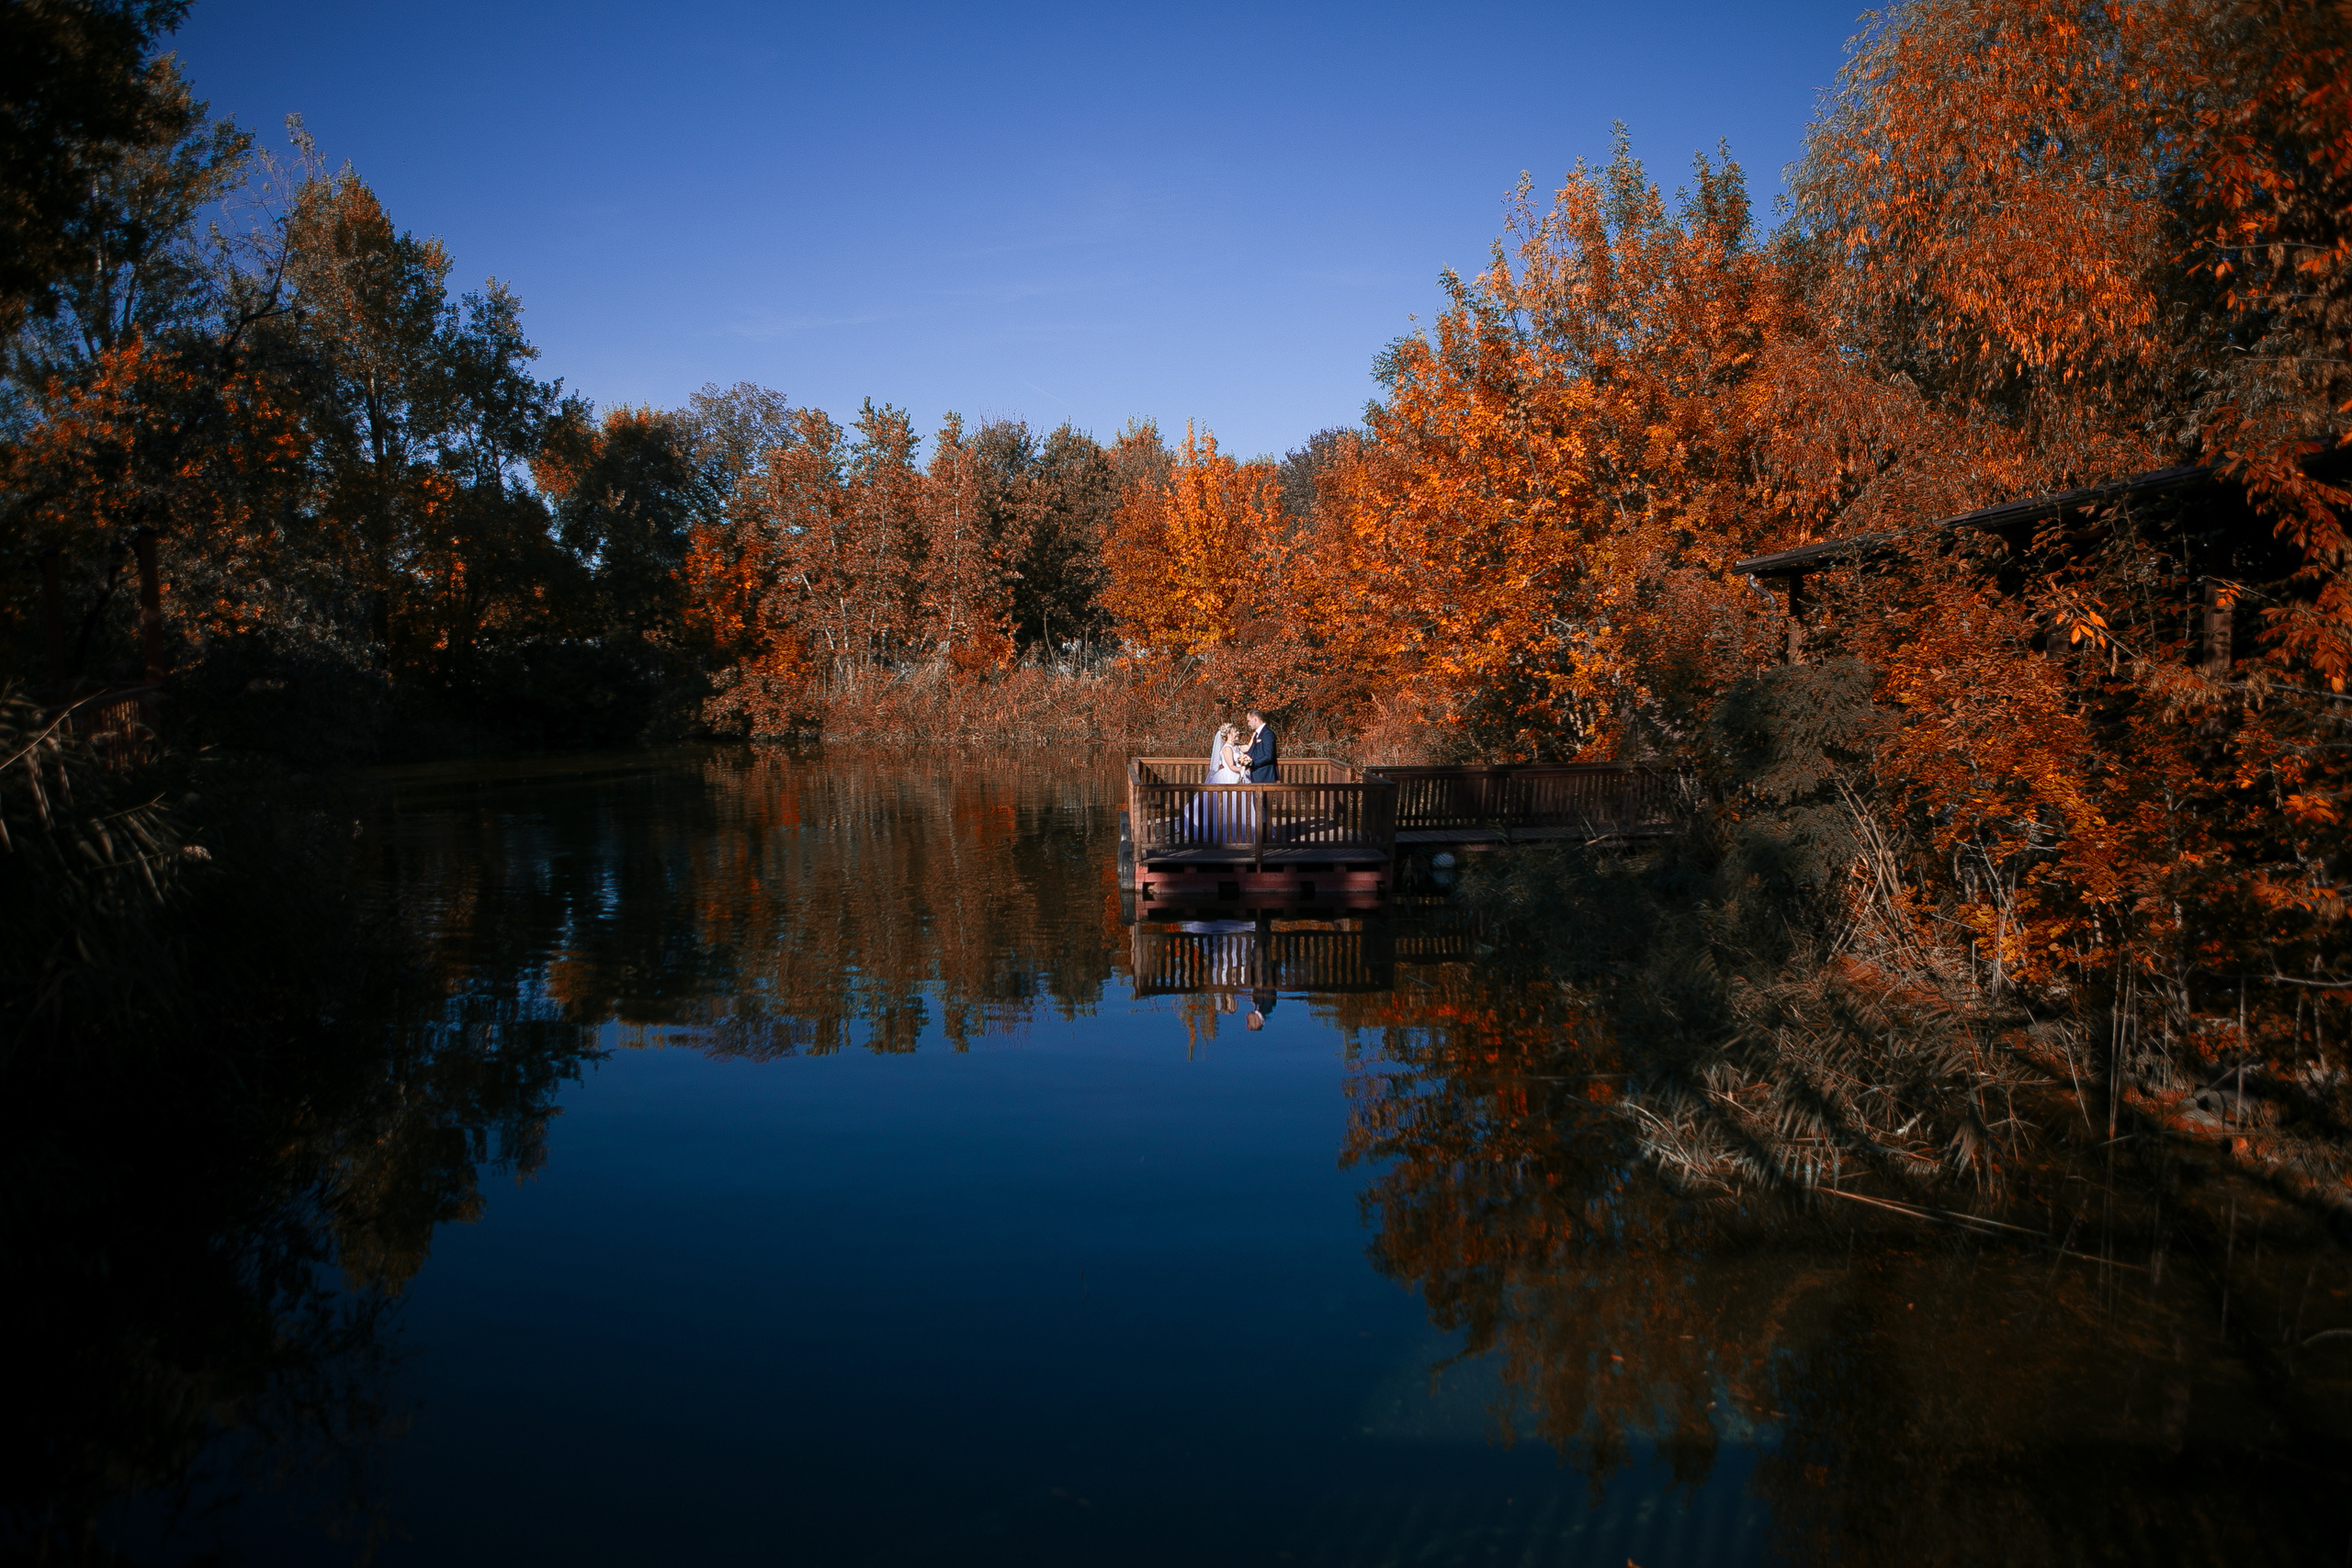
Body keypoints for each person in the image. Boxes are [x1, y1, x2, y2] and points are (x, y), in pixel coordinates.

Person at [1242, 708, 1279, 784]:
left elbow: (1268, 756)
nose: (1248, 724)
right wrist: (1244, 759)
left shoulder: (1267, 734)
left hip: (1264, 775)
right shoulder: (1257, 734)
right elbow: (1252, 751)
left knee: (1262, 796)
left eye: (1249, 721)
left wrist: (1253, 763)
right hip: (1257, 774)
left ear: (1255, 719)